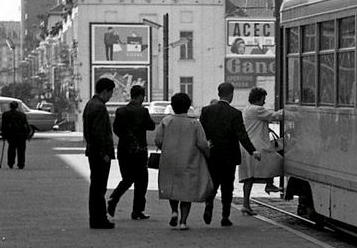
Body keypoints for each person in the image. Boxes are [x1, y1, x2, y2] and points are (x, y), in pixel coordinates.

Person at [199, 82, 261, 227]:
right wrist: (253, 151)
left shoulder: (207, 111)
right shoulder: (235, 113)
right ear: (231, 94)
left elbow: (201, 132)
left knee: (212, 184)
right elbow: (242, 135)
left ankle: (209, 204)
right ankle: (225, 217)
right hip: (229, 157)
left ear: (218, 93)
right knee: (227, 187)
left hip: (212, 154)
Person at [155, 92, 212, 230]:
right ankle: (183, 221)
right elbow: (202, 144)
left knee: (172, 187)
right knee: (187, 191)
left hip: (169, 159)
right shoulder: (194, 123)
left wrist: (166, 148)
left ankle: (174, 211)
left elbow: (158, 140)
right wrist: (207, 154)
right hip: (189, 160)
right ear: (188, 107)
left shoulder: (166, 121)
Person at [108, 85, 156, 220]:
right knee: (142, 181)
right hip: (139, 151)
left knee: (127, 179)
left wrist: (126, 136)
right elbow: (151, 126)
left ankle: (114, 197)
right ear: (140, 96)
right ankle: (137, 211)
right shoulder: (143, 111)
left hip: (124, 150)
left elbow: (116, 129)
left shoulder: (121, 111)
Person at [238, 87, 283, 215]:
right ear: (258, 99)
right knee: (277, 160)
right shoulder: (257, 110)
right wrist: (289, 110)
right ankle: (269, 183)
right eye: (263, 99)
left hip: (247, 145)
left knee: (249, 177)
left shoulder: (247, 109)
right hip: (257, 145)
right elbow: (274, 116)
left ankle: (246, 204)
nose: (264, 102)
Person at [84, 77, 117, 229]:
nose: (111, 96)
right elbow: (98, 133)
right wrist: (104, 152)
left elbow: (88, 132)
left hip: (92, 151)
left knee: (96, 186)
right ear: (105, 91)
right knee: (99, 187)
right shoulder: (99, 107)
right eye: (111, 93)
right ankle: (99, 219)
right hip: (99, 153)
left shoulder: (90, 104)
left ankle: (96, 218)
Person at [0, 100, 30, 169]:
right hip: (21, 135)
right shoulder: (22, 115)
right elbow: (26, 125)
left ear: (10, 107)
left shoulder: (5, 114)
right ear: (17, 107)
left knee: (11, 149)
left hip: (11, 135)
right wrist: (27, 135)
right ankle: (21, 163)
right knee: (21, 150)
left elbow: (4, 126)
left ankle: (10, 163)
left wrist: (4, 134)